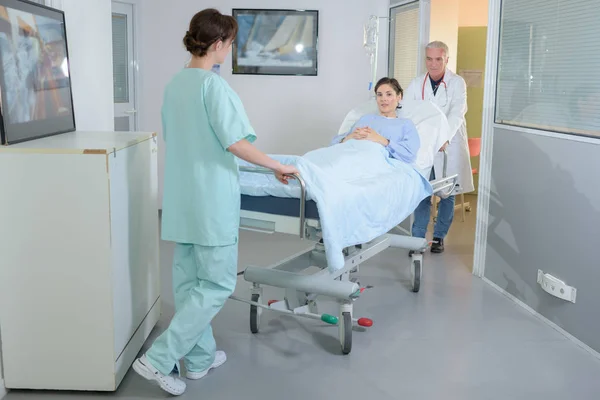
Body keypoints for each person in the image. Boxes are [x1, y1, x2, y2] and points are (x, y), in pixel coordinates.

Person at [131, 9, 298, 396]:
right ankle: (158, 359)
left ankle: (200, 359)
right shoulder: (214, 87)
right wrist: (277, 166)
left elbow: (177, 137)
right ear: (219, 43)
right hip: (210, 203)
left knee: (191, 285)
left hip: (181, 200)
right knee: (218, 284)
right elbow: (236, 142)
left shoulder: (175, 85)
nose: (230, 50)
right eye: (230, 43)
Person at [404, 41, 474, 253]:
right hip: (424, 146)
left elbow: (456, 113)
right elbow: (407, 111)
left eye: (438, 59)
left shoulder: (457, 83)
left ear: (446, 59)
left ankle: (439, 237)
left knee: (447, 194)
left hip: (448, 144)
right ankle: (417, 240)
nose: (433, 64)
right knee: (422, 193)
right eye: (429, 59)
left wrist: (443, 137)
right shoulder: (417, 84)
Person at [331, 77, 420, 164]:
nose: (383, 99)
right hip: (349, 157)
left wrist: (381, 140)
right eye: (379, 94)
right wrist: (349, 137)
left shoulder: (405, 124)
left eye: (389, 94)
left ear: (399, 97)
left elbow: (409, 155)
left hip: (375, 164)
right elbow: (333, 144)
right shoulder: (366, 119)